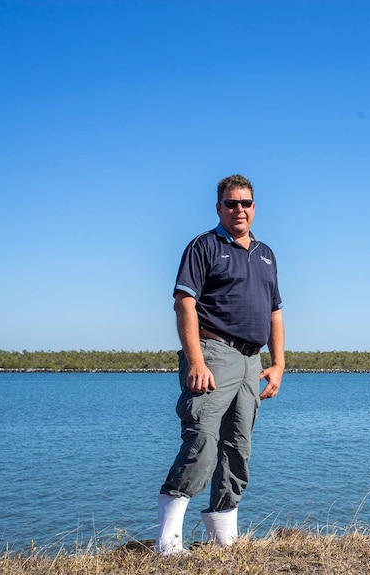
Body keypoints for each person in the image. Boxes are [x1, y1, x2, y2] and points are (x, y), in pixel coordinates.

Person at [155, 174, 285, 555]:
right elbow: (184, 303)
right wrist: (196, 359)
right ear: (219, 208)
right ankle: (168, 542)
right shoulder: (204, 246)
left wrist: (278, 364)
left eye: (245, 203)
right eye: (231, 203)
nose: (239, 210)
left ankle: (223, 538)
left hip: (251, 360)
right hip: (213, 354)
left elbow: (275, 312)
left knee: (238, 449)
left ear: (254, 207)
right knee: (202, 441)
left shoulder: (266, 254)